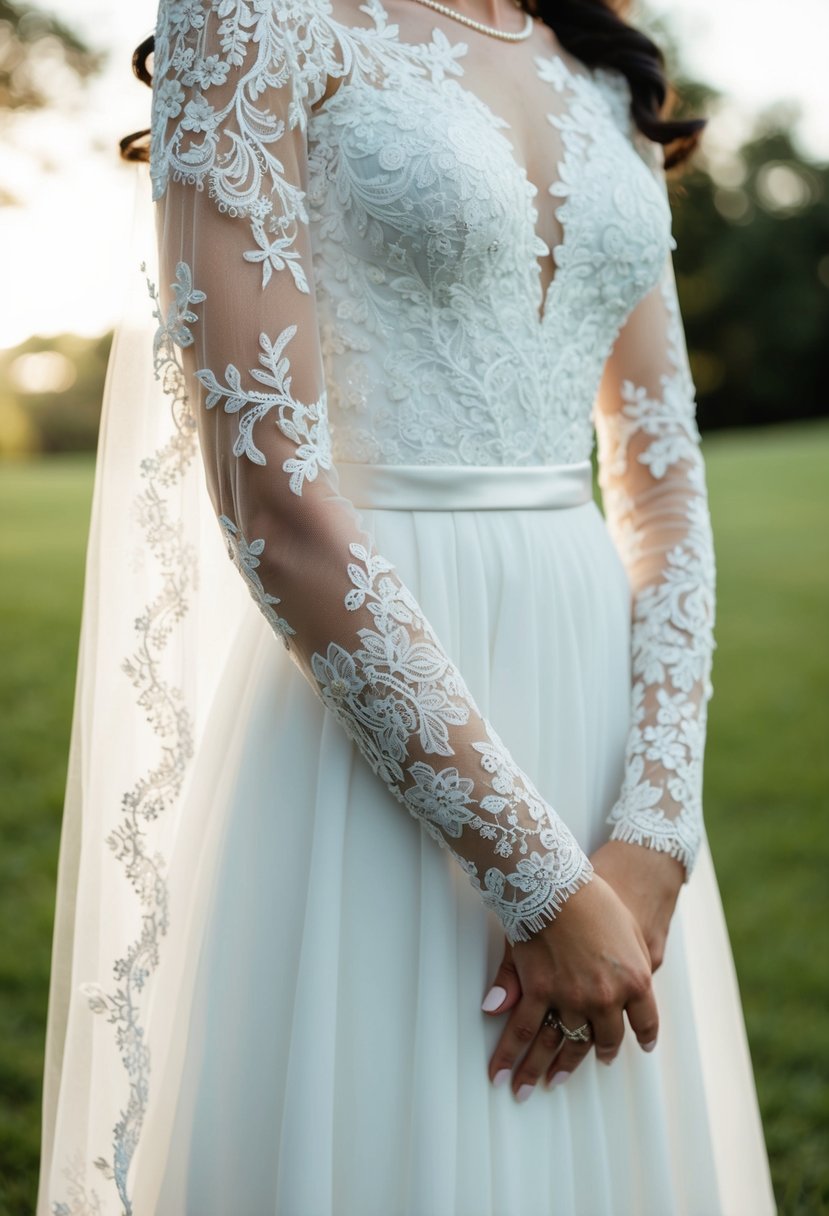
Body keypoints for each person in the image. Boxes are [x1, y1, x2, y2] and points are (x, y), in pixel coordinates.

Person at [37, 0, 777, 1211]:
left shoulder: (600, 60)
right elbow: (271, 498)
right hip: (370, 706)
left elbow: (659, 480)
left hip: (594, 721)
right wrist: (540, 879)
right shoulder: (252, 18)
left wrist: (652, 827)